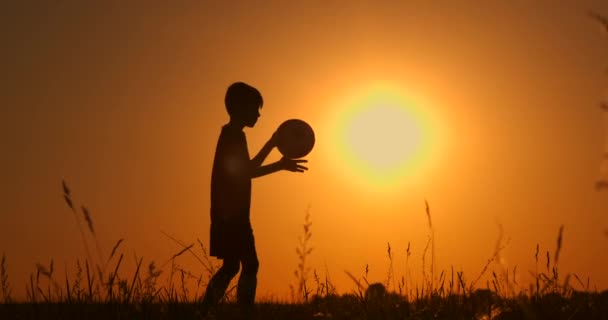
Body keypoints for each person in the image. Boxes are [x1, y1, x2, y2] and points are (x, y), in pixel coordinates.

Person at [200, 82, 308, 317]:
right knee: (250, 264)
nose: (258, 114)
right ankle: (242, 312)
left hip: (226, 213)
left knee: (231, 267)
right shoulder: (232, 137)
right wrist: (279, 164)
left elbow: (246, 169)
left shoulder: (233, 135)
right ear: (240, 107)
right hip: (232, 215)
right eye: (254, 108)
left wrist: (272, 146)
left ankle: (205, 310)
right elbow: (246, 172)